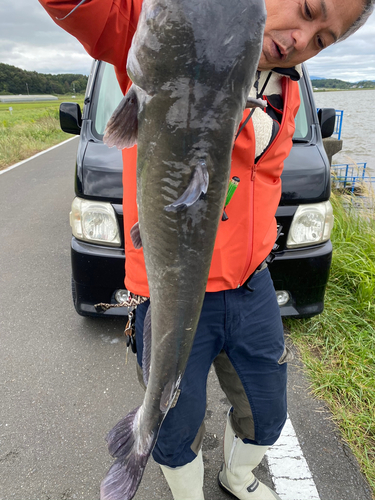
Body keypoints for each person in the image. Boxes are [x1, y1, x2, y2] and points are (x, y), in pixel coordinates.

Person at [39, 1, 373, 499]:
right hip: (167, 288)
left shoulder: (289, 89)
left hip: (253, 284)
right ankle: (184, 488)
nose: (302, 38)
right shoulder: (162, 21)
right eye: (307, 8)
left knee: (267, 407)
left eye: (323, 39)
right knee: (174, 422)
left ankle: (237, 476)